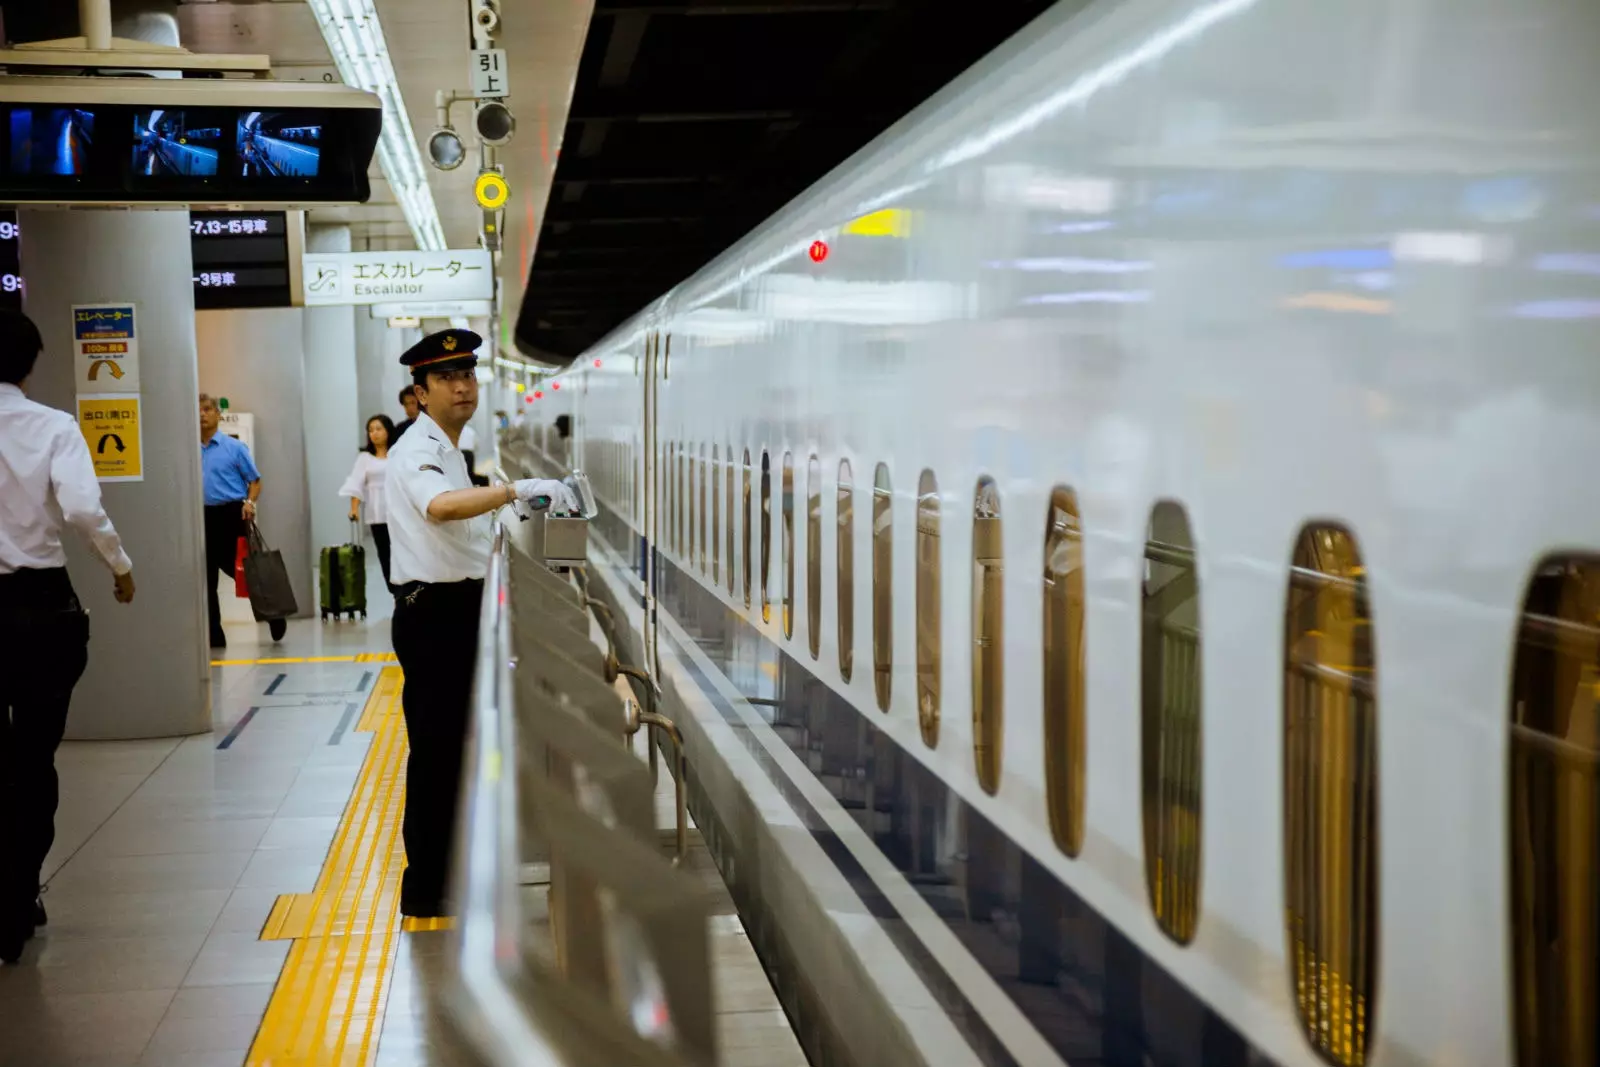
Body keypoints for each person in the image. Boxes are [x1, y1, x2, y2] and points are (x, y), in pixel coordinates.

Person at [386, 328, 574, 918]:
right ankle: (427, 890)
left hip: (456, 611)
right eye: (446, 378)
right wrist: (513, 489)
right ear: (419, 392)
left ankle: (449, 876)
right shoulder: (417, 449)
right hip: (434, 617)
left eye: (467, 374)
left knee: (453, 751)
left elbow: (463, 528)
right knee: (438, 752)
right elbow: (439, 508)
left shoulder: (448, 448)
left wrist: (508, 511)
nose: (462, 386)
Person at [0, 310, 137, 964]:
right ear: (30, 363)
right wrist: (119, 565)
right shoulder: (53, 426)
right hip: (40, 609)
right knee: (33, 757)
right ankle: (18, 891)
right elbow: (82, 508)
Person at [199, 393, 284, 647]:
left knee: (243, 571)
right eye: (198, 410)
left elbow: (255, 480)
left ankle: (273, 614)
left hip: (231, 514)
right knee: (206, 577)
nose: (202, 414)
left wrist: (249, 502)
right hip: (200, 516)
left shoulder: (234, 448)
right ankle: (215, 635)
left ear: (218, 414)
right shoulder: (188, 450)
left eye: (207, 409)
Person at [339, 414, 396, 589]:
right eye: (370, 430)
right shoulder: (364, 458)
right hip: (377, 514)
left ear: (388, 430)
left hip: (399, 513)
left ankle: (407, 593)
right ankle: (395, 592)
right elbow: (356, 483)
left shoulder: (398, 453)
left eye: (378, 429)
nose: (374, 433)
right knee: (385, 556)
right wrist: (354, 508)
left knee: (402, 555)